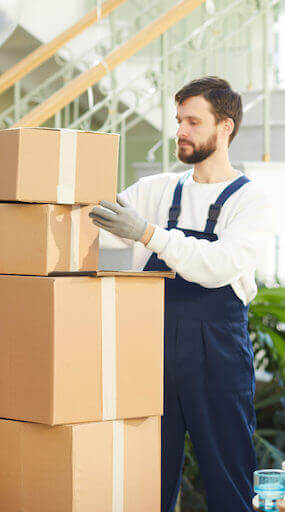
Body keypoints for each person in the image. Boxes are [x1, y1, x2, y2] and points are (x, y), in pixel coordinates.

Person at [90, 76, 261, 512]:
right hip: (153, 350)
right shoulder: (156, 189)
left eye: (192, 121)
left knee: (229, 479)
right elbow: (90, 220)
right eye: (178, 120)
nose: (180, 131)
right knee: (149, 479)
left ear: (225, 128)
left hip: (218, 356)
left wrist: (148, 234)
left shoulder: (251, 201)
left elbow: (218, 265)